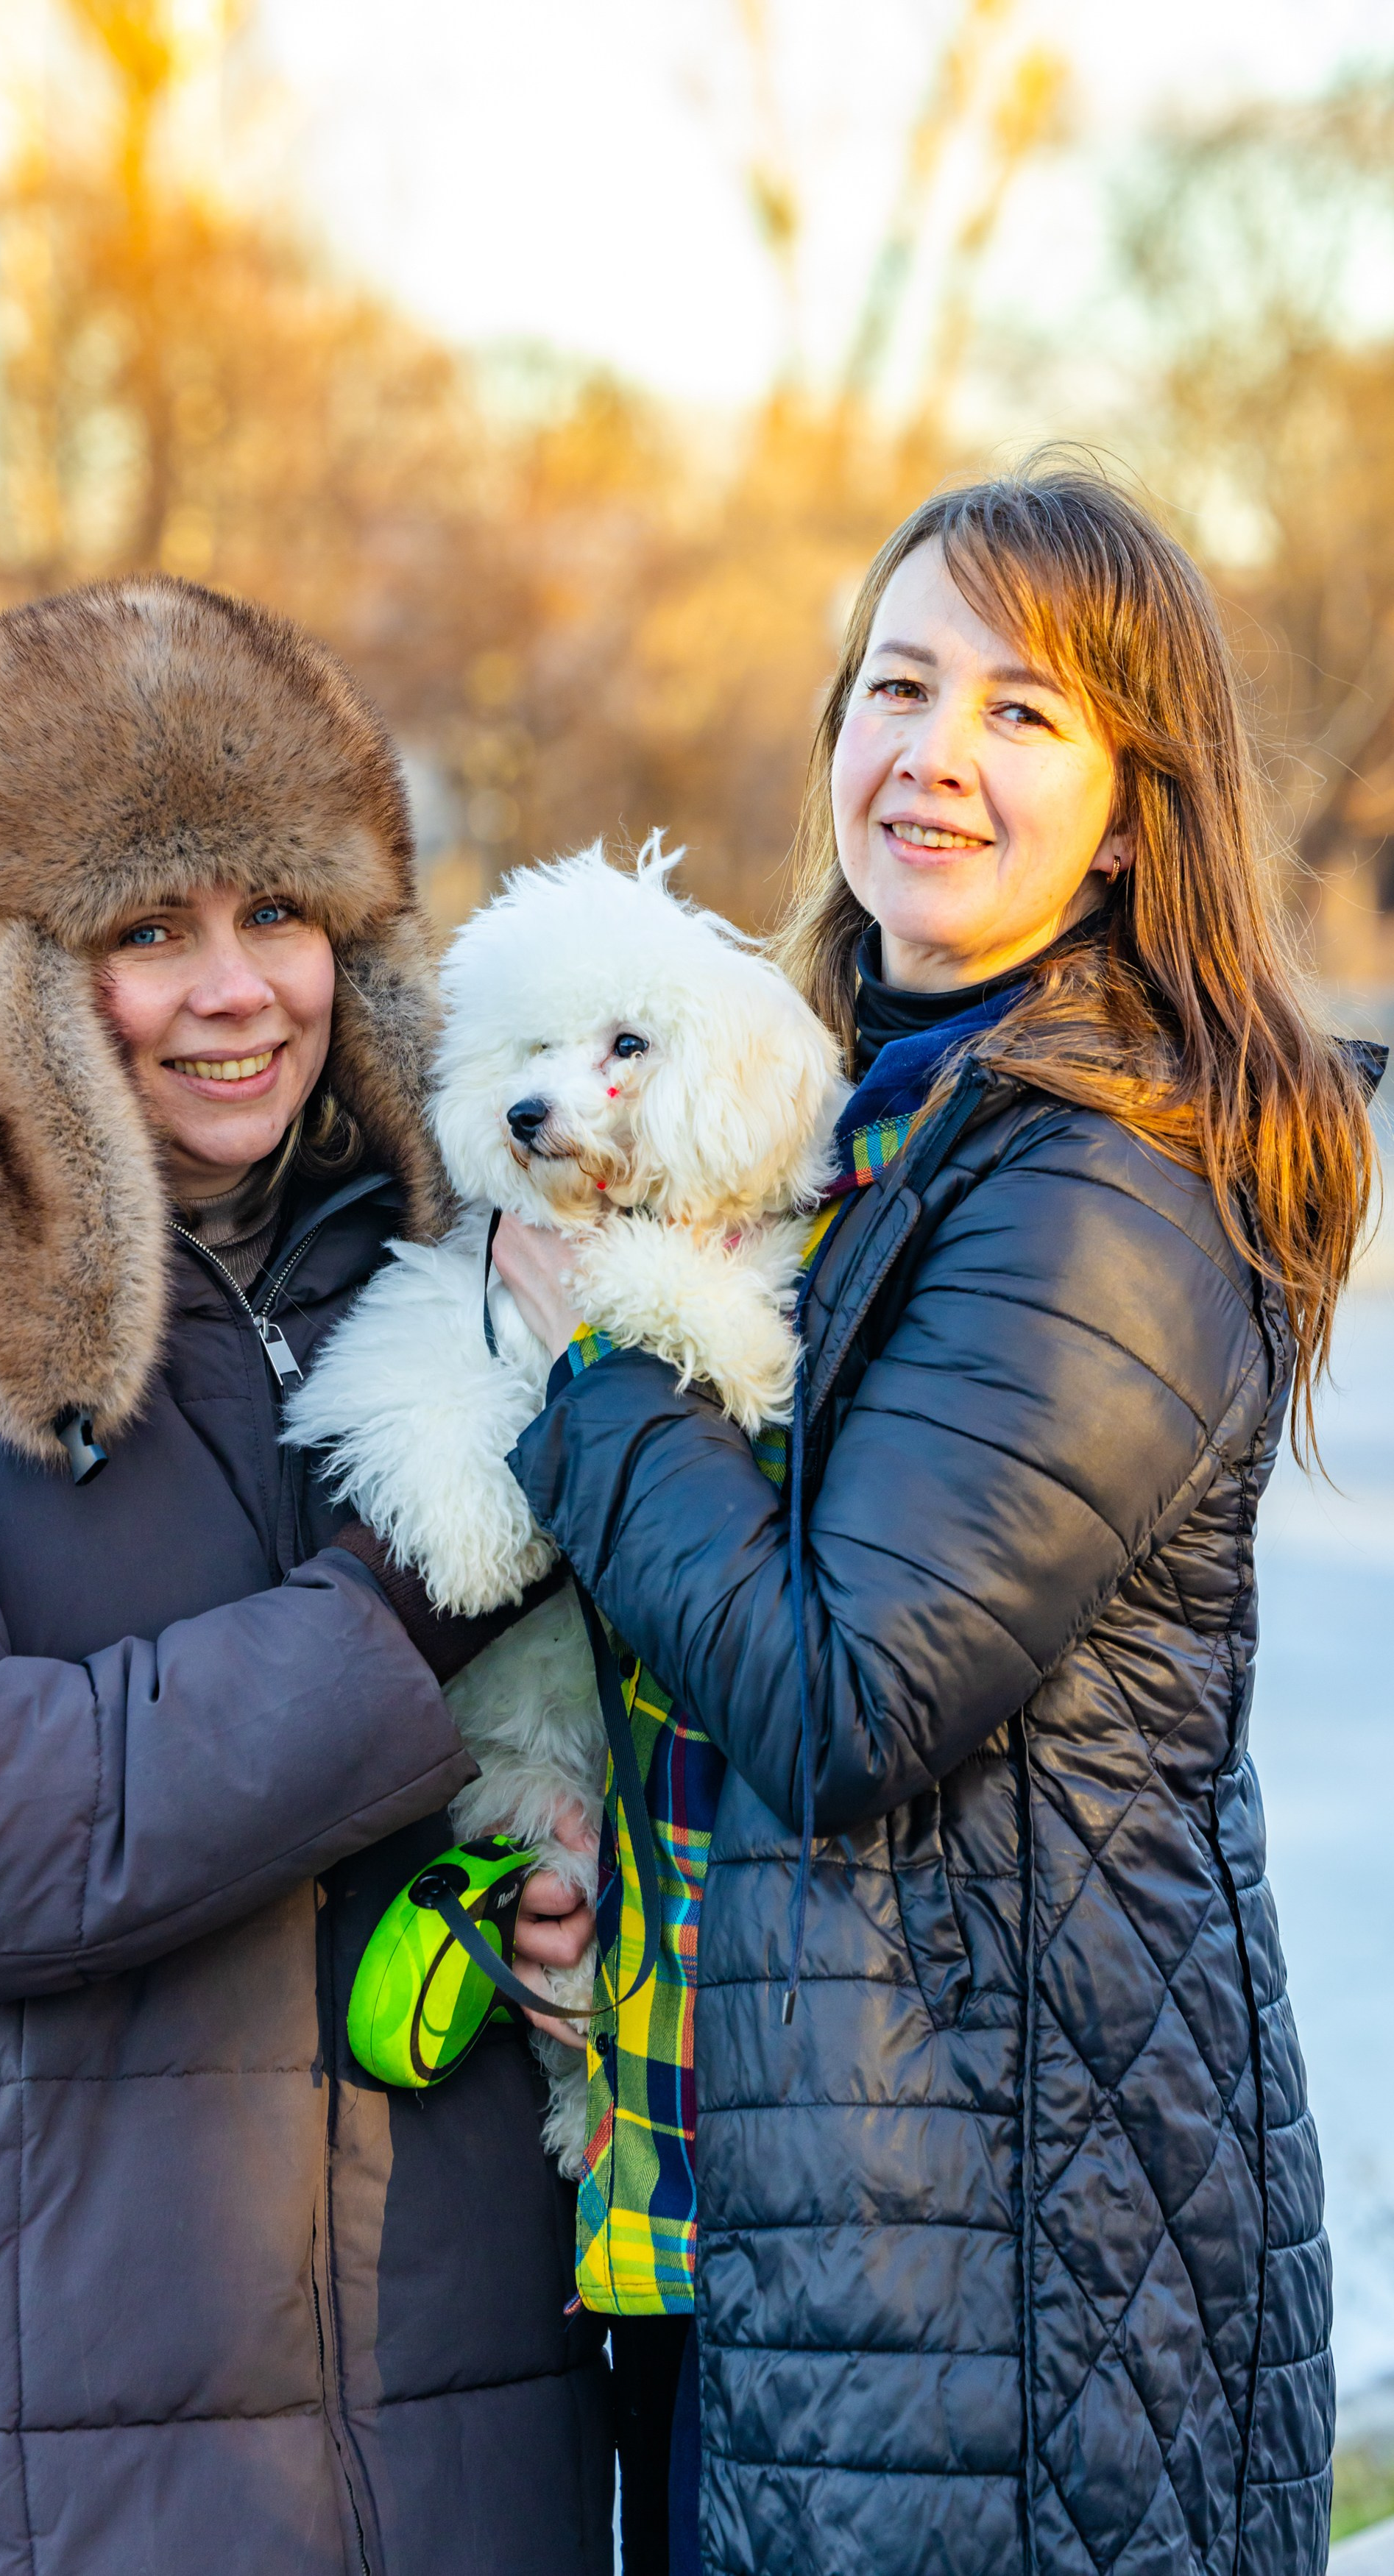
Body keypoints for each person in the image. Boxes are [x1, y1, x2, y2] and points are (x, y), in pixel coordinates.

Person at [492, 466, 1380, 2576]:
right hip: (814, 2192)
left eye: (1026, 712)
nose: (938, 756)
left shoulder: (1105, 1175)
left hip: (1001, 2266)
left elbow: (846, 1688)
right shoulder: (868, 1123)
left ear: (1136, 807)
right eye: (901, 685)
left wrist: (587, 1367)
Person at [0, 577, 610, 2576]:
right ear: (3, 967)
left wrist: (598, 1863)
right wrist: (395, 1612)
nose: (238, 990)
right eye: (146, 930)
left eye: (280, 913)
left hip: (442, 2452)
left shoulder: (465, 1292)